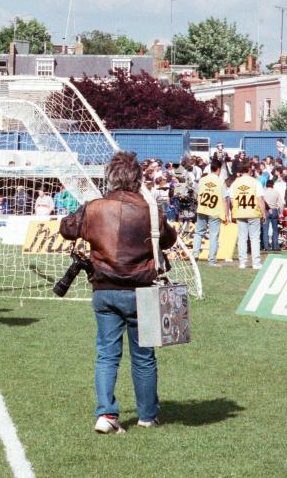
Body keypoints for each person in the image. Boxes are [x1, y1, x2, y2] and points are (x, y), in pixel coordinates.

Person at [58, 151, 176, 434]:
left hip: (105, 289)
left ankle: (106, 415)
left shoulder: (94, 208)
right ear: (137, 179)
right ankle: (147, 416)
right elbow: (169, 239)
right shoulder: (150, 211)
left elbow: (66, 229)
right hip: (141, 291)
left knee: (107, 355)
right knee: (144, 356)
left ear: (110, 177)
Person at [191, 158, 229, 267]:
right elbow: (224, 199)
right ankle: (212, 260)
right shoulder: (220, 181)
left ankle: (195, 254)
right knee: (213, 235)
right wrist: (226, 214)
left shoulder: (203, 180)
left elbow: (197, 195)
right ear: (219, 169)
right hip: (215, 211)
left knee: (199, 233)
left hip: (202, 209)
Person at [230, 163, 266, 269]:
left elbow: (232, 199)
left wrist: (236, 209)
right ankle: (256, 263)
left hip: (240, 212)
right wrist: (263, 212)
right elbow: (260, 199)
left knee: (242, 238)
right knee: (254, 238)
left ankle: (242, 262)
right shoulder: (255, 182)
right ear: (249, 170)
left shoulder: (235, 183)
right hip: (253, 212)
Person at [261, 179, 284, 251]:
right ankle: (275, 246)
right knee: (275, 229)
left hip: (266, 211)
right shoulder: (276, 192)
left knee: (265, 229)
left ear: (266, 185)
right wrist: (281, 213)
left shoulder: (263, 192)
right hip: (274, 210)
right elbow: (281, 204)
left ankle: (266, 246)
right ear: (273, 185)